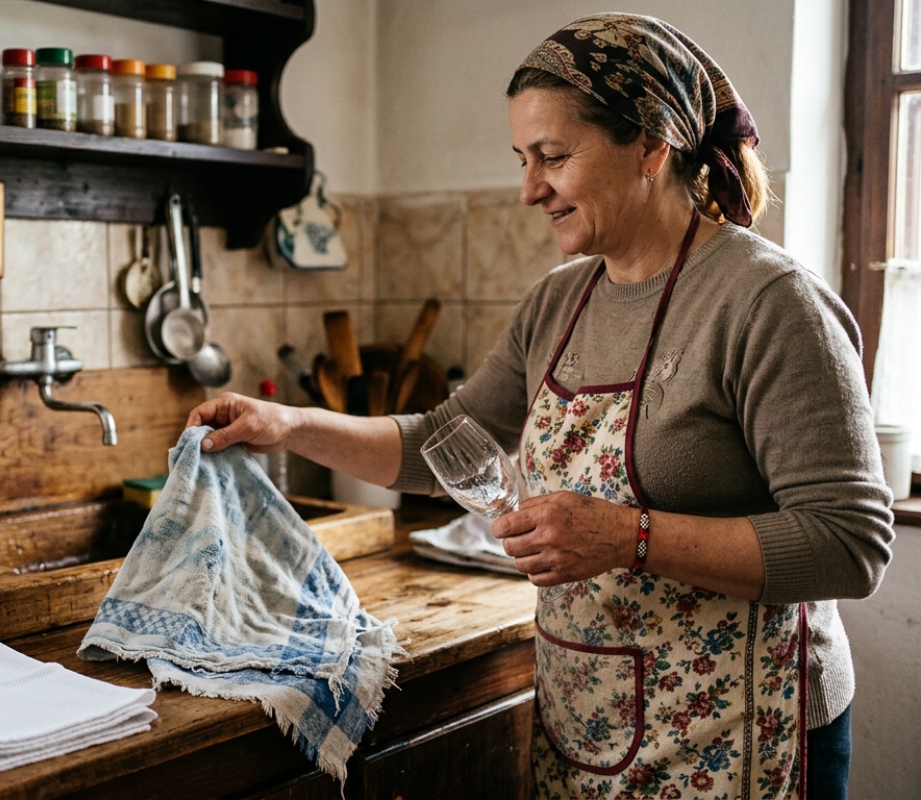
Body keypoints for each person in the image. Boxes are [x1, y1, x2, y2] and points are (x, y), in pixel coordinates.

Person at [186, 13, 893, 799]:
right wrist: (290, 425)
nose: (529, 189)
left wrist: (628, 537)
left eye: (553, 157)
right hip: (590, 733)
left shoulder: (769, 303)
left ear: (652, 147)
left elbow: (849, 542)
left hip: (745, 736)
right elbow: (441, 447)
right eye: (523, 159)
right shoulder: (559, 303)